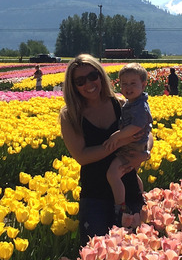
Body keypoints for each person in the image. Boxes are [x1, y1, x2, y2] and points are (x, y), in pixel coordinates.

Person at [59, 54, 150, 247]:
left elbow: (146, 133)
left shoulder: (121, 105)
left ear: (100, 76)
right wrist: (117, 142)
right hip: (95, 197)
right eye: (80, 81)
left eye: (93, 76)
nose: (88, 83)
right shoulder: (70, 116)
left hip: (128, 193)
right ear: (73, 85)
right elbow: (82, 156)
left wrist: (144, 154)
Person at [101, 63, 151, 229]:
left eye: (133, 83)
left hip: (133, 147)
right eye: (124, 83)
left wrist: (117, 136)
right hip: (135, 146)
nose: (128, 87)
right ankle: (141, 196)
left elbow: (136, 127)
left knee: (113, 173)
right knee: (130, 172)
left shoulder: (140, 106)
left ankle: (120, 206)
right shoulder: (132, 102)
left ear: (143, 85)